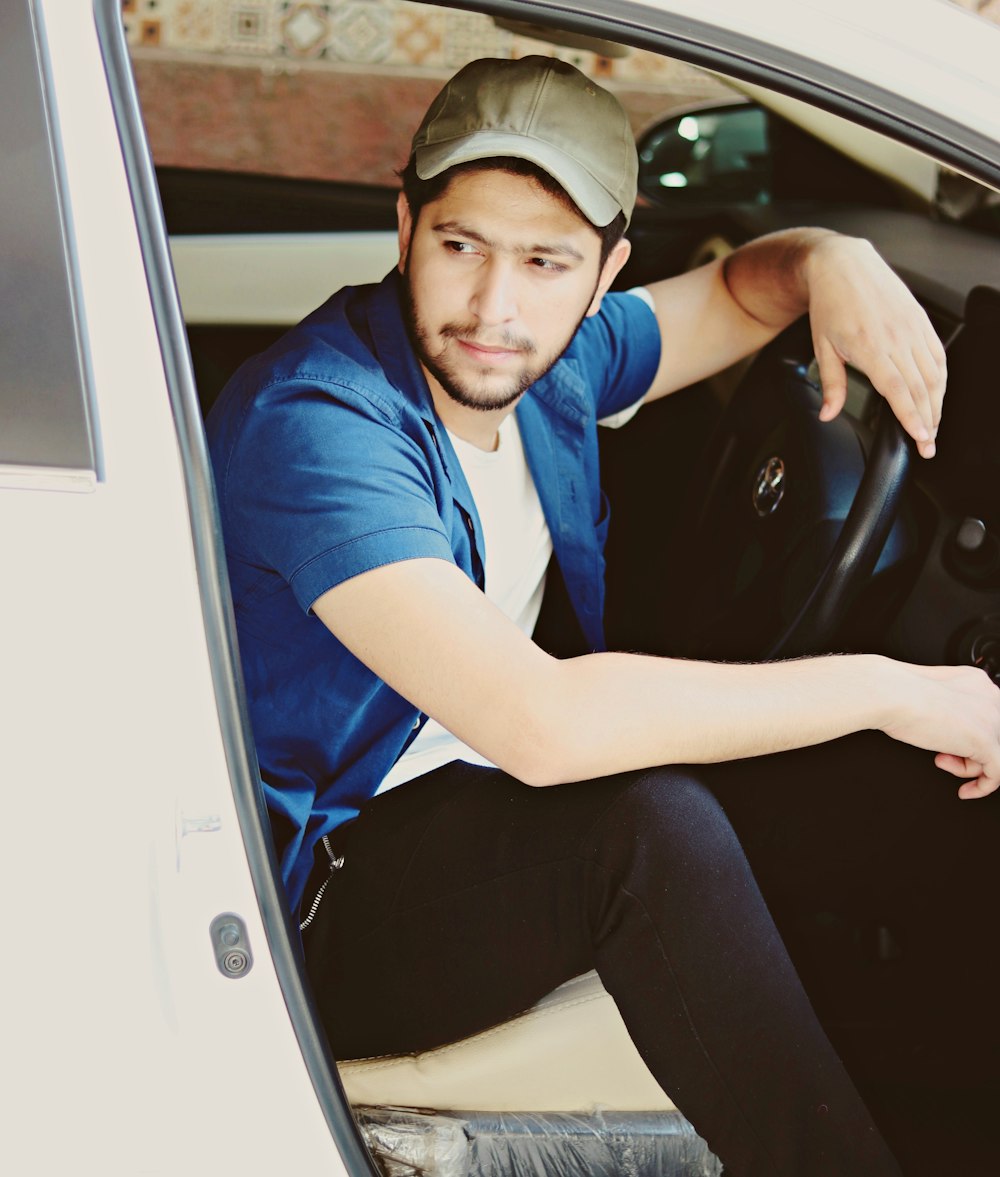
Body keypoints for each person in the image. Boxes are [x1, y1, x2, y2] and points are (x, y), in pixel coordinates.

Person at [207, 56, 999, 1176]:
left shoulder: (552, 359)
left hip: (447, 806)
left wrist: (832, 256)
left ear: (605, 269)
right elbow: (543, 726)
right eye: (459, 245)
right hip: (302, 902)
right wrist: (897, 686)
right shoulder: (324, 424)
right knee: (652, 830)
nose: (494, 307)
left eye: (546, 262)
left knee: (842, 785)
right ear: (403, 223)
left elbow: (739, 293)